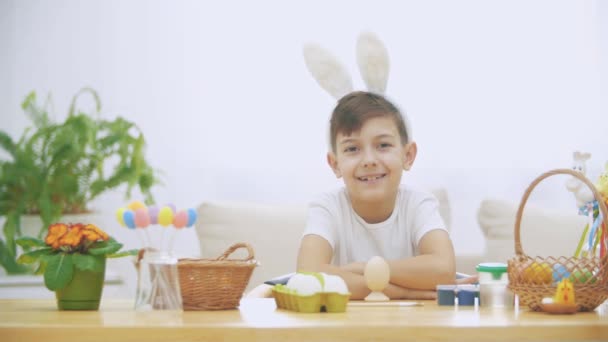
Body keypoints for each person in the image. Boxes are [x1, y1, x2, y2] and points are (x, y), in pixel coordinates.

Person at [296, 91, 466, 300]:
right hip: (345, 328)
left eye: (383, 145)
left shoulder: (419, 203)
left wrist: (363, 269)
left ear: (408, 155)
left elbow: (443, 269)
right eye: (352, 148)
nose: (369, 160)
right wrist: (405, 293)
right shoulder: (327, 206)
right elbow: (309, 274)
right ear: (335, 164)